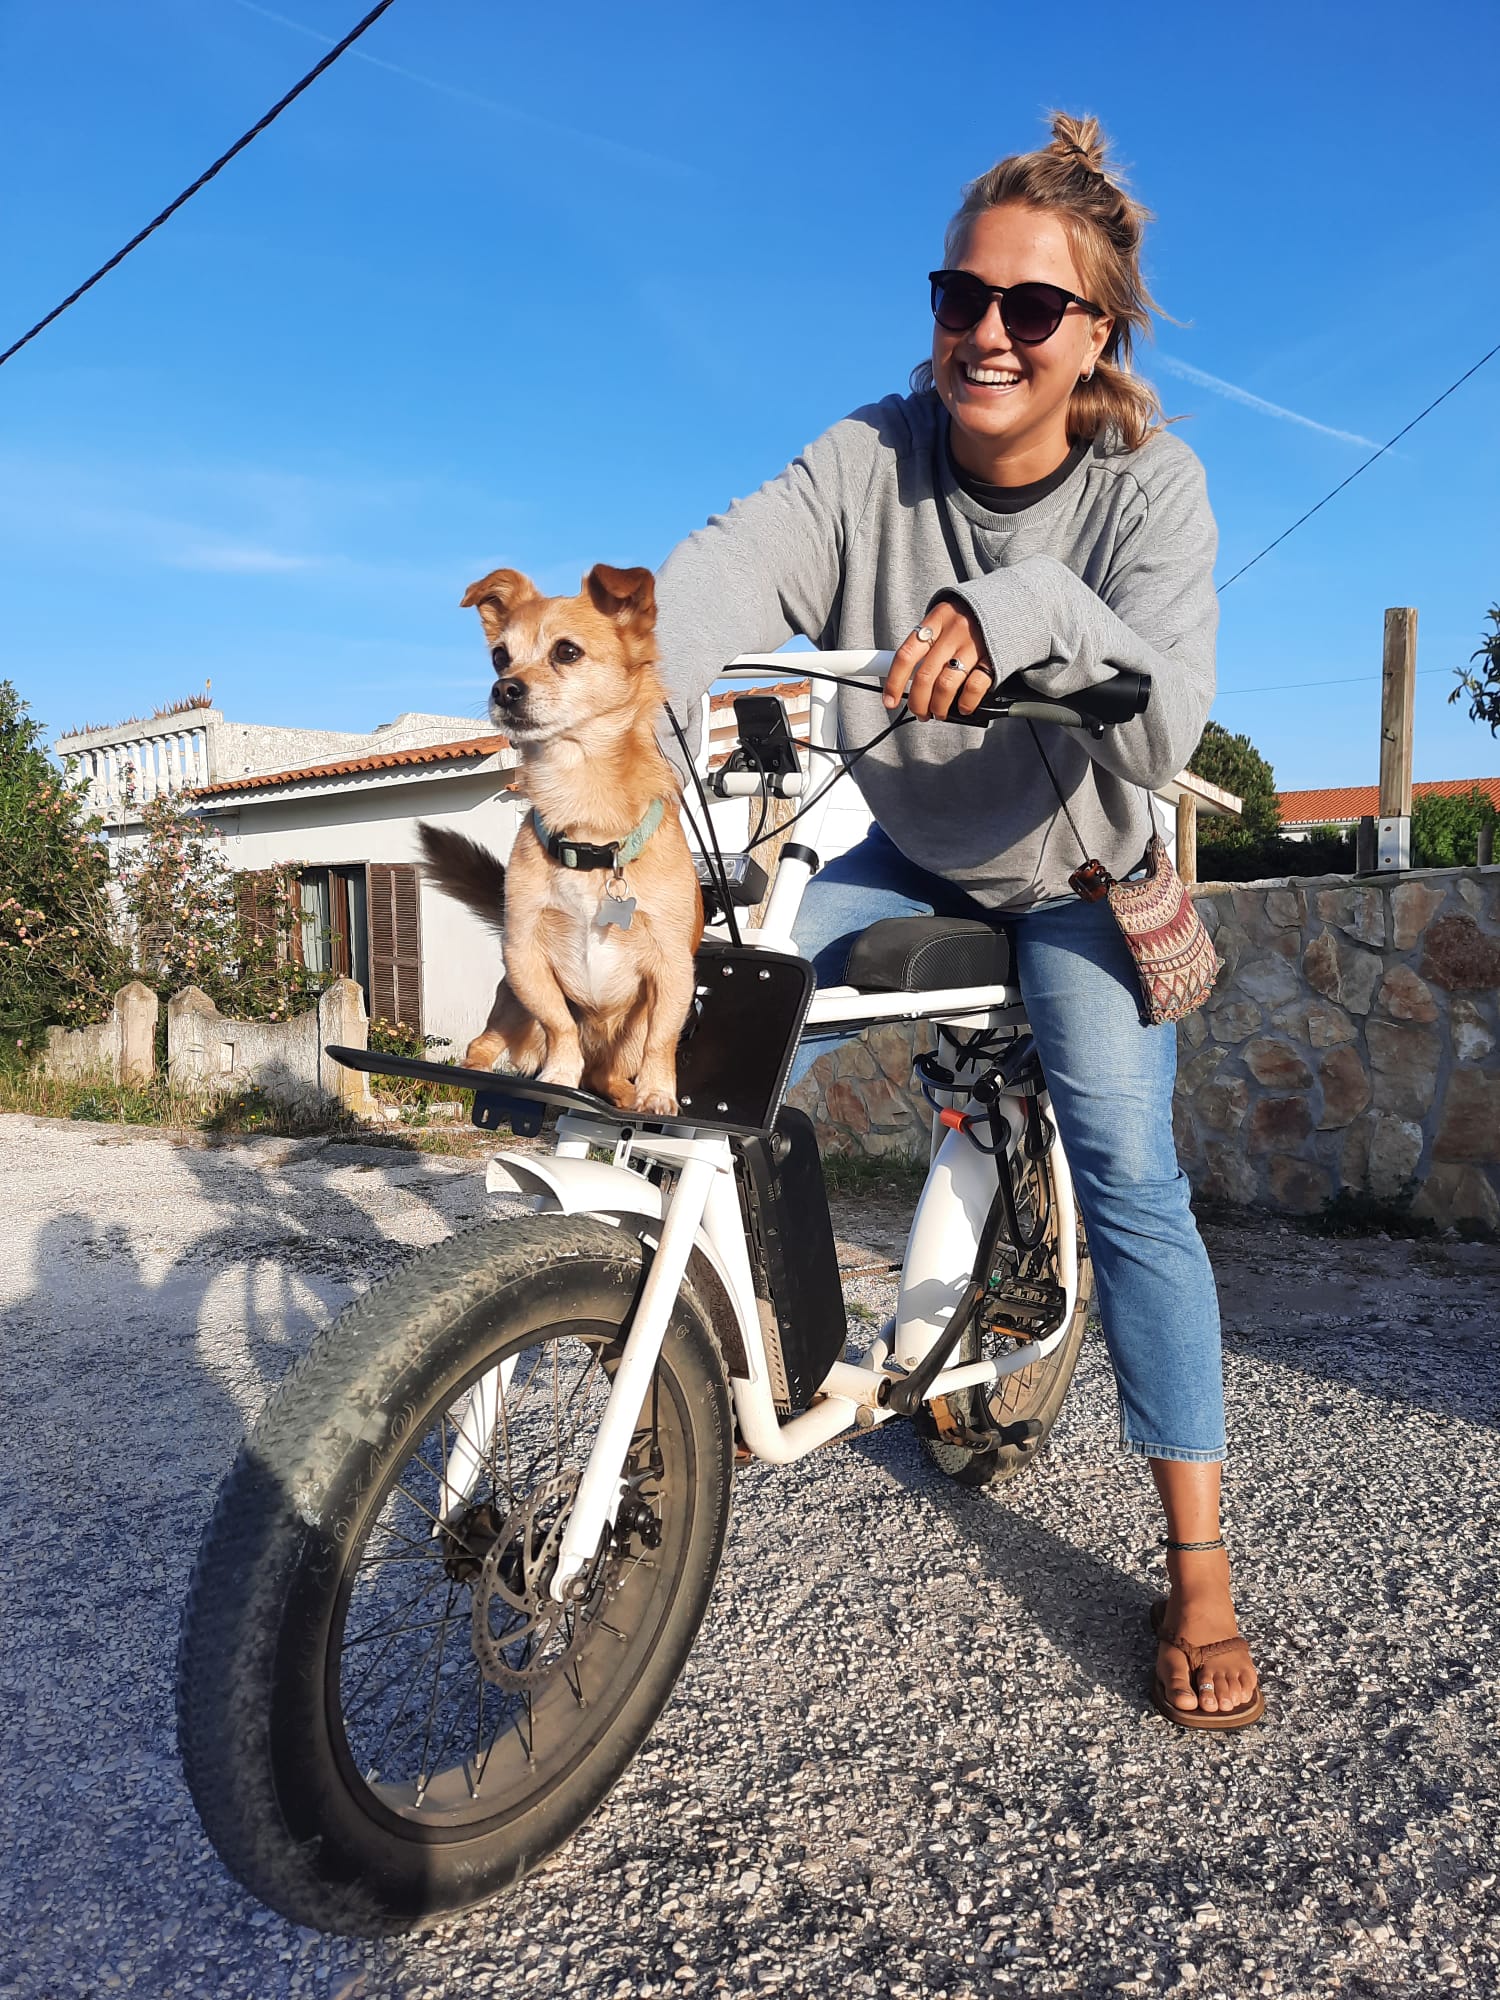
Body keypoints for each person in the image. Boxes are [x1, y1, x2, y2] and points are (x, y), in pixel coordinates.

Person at [653, 113, 1263, 1730]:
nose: (986, 333)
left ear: (1095, 335)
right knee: (713, 1034)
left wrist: (1017, 613)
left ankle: (1197, 1563)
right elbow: (726, 569)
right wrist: (621, 698)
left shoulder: (1154, 488)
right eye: (959, 296)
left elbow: (1163, 728)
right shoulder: (869, 459)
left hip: (1073, 879)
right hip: (910, 848)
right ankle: (669, 1359)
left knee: (1131, 1170)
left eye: (1030, 309)